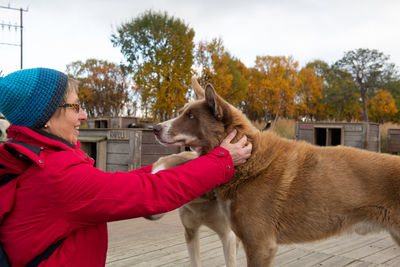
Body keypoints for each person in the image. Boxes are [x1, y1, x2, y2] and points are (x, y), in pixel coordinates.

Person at [0, 68, 252, 267]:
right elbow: (148, 193)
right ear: (45, 117)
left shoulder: (35, 160)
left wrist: (166, 166)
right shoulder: (56, 177)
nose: (84, 115)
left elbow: (114, 186)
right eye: (75, 106)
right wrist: (222, 161)